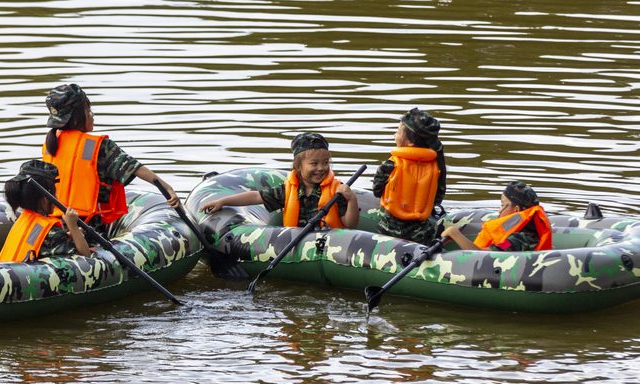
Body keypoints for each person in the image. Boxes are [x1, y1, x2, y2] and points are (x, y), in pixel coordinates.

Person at [41, 83, 180, 235]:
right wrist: (167, 188)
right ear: (78, 116)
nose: (92, 115)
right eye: (88, 110)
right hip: (86, 229)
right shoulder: (99, 147)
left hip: (53, 227)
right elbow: (133, 167)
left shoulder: (50, 143)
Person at [200, 132, 359, 228]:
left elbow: (350, 223)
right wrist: (223, 201)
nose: (321, 168)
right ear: (298, 166)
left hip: (329, 243)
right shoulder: (289, 190)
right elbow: (256, 196)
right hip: (296, 245)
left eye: (325, 163)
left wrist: (351, 199)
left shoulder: (337, 190)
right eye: (314, 163)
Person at [372, 108, 446, 244]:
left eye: (397, 131)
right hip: (421, 235)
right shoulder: (436, 167)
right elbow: (438, 198)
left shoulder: (390, 165)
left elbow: (377, 191)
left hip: (389, 231)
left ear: (409, 143)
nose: (394, 134)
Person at [0, 159, 91, 262]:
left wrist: (68, 235)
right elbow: (86, 259)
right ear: (45, 199)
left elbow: (39, 241)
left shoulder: (23, 219)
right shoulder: (54, 235)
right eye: (54, 194)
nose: (56, 197)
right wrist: (73, 227)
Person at [442, 181, 553, 252]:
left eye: (503, 205)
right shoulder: (529, 232)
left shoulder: (518, 239)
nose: (499, 210)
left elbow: (480, 255)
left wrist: (455, 234)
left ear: (517, 210)